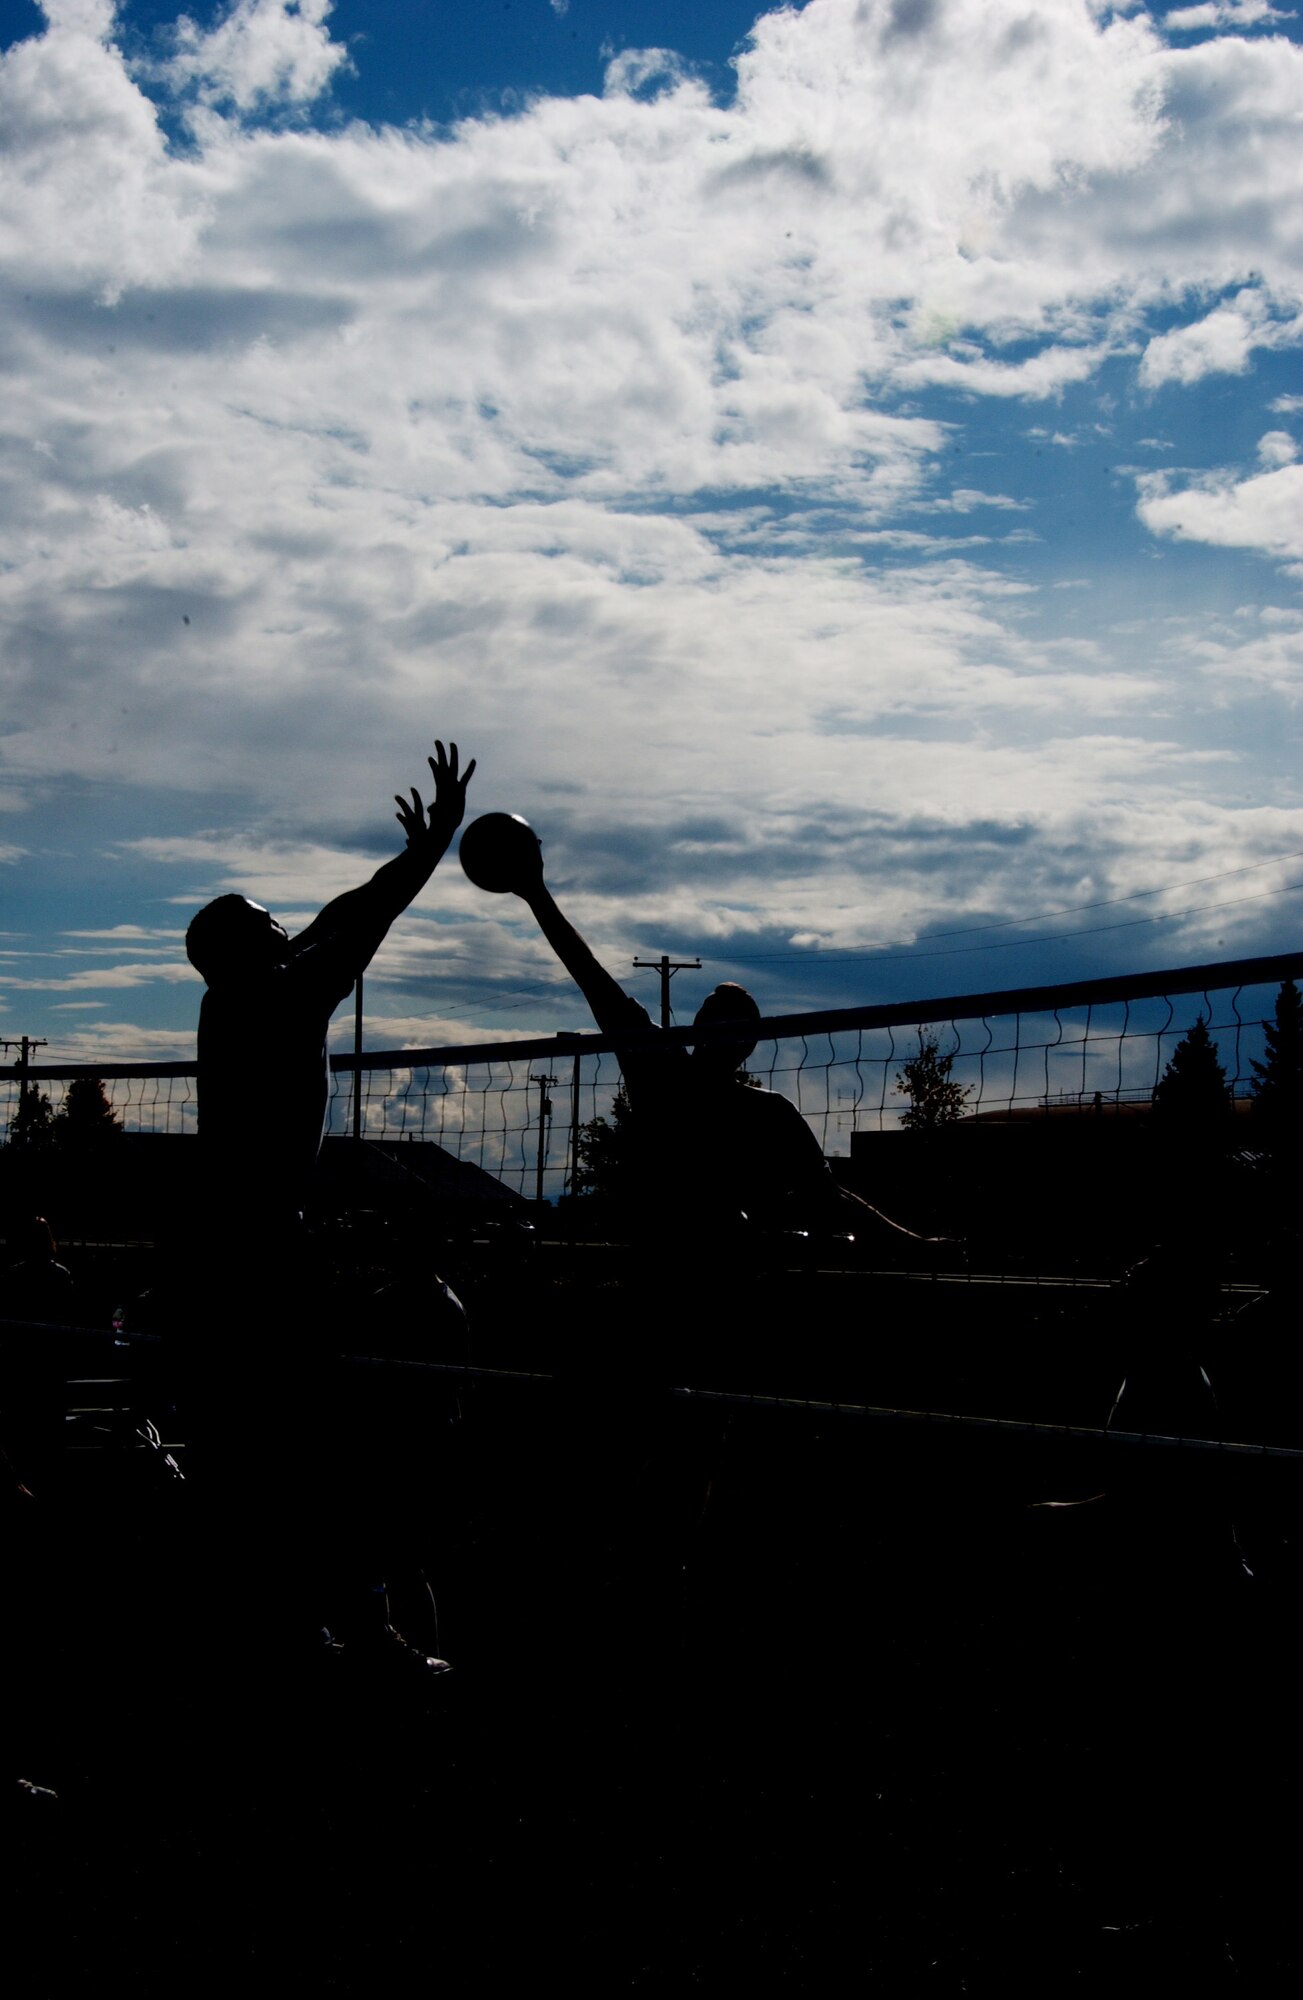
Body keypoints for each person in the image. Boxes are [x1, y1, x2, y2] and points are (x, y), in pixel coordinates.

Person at [498, 822, 937, 1253]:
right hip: (671, 1256)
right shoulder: (662, 1066)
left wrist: (915, 1244)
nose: (717, 1025)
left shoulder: (761, 1108)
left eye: (729, 1019)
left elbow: (828, 1194)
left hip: (724, 1263)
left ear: (744, 1041)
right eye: (714, 1013)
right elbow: (592, 976)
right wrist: (536, 893)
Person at [186, 739, 475, 1237]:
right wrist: (437, 840)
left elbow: (343, 912)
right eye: (270, 920)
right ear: (248, 944)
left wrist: (416, 853)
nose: (283, 925)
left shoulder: (230, 997)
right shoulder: (283, 997)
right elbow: (369, 916)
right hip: (257, 1223)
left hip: (224, 1210)